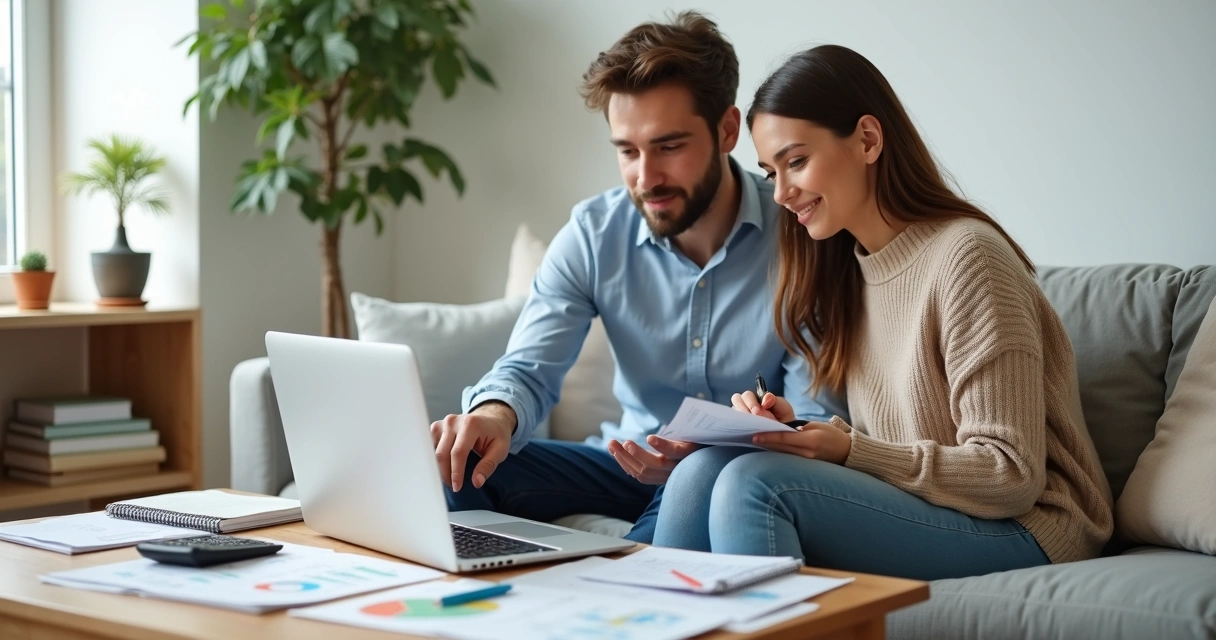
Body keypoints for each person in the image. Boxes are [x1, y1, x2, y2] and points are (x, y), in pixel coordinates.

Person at [651, 44, 1113, 579]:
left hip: (1033, 527)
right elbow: (897, 436)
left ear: (867, 140)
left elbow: (1010, 474)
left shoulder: (969, 258)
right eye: (770, 171)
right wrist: (798, 432)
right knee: (700, 470)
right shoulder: (851, 270)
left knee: (752, 485)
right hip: (935, 506)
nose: (780, 193)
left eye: (796, 161)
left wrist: (848, 450)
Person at [431, 13, 846, 543]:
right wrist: (493, 414)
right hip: (624, 462)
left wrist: (721, 449)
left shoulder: (802, 236)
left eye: (668, 147)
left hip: (729, 473)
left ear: (726, 130)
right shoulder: (593, 234)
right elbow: (528, 369)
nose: (645, 178)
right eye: (627, 151)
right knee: (458, 462)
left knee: (685, 501)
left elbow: (813, 420)